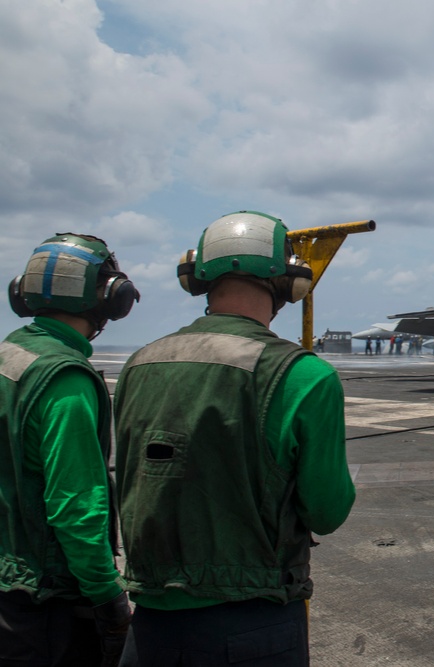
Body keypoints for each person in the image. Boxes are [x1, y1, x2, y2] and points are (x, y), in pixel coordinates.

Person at [114, 211, 356, 665]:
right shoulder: (305, 375)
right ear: (290, 282)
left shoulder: (139, 364)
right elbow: (327, 511)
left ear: (197, 276)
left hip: (149, 627)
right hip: (252, 625)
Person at [1, 233, 139, 666]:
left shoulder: (9, 355)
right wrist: (107, 595)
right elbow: (75, 505)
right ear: (110, 297)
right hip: (44, 604)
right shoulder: (64, 378)